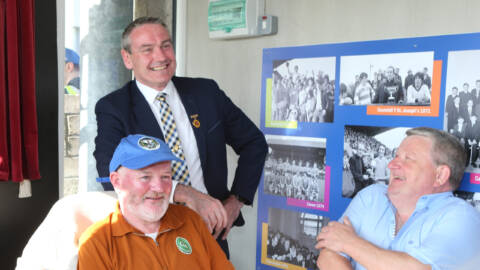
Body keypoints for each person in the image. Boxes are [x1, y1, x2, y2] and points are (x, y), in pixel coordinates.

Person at [93, 16, 268, 256]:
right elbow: (108, 172)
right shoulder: (114, 108)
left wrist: (236, 201)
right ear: (127, 58)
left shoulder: (206, 93)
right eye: (147, 49)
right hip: (153, 236)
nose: (161, 56)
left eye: (166, 45)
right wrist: (183, 192)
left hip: (211, 232)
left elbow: (254, 143)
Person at [315, 127, 480, 270]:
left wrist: (348, 242)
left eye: (408, 158)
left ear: (440, 175)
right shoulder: (371, 196)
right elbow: (328, 255)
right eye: (396, 156)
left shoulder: (463, 218)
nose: (391, 165)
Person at [78, 134, 234, 269]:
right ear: (117, 181)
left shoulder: (190, 220)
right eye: (145, 177)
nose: (159, 188)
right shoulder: (97, 243)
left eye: (165, 177)